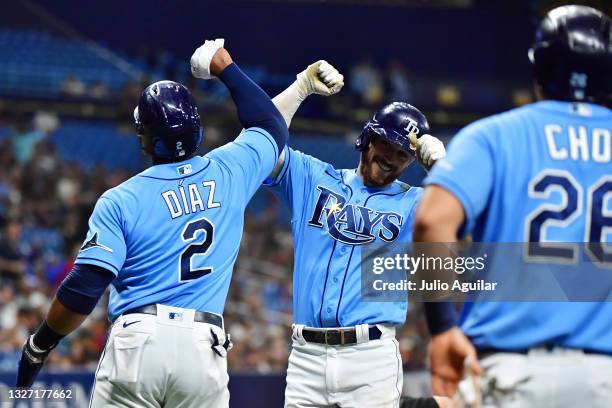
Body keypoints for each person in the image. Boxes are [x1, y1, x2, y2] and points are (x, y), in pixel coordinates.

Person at [16, 38, 289, 408]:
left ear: (145, 139)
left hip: (139, 340)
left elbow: (84, 288)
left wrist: (41, 343)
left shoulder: (122, 198)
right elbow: (270, 123)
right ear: (197, 129)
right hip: (203, 344)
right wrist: (224, 66)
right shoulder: (231, 170)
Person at [413, 5, 612, 406]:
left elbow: (431, 222)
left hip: (509, 374)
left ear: (540, 70)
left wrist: (442, 328)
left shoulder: (492, 135)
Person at [267, 61, 449, 407]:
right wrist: (300, 88)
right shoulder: (313, 178)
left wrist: (445, 171)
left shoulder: (415, 203)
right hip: (306, 356)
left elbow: (476, 218)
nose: (392, 158)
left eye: (403, 154)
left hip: (370, 357)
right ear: (368, 137)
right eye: (387, 144)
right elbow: (259, 144)